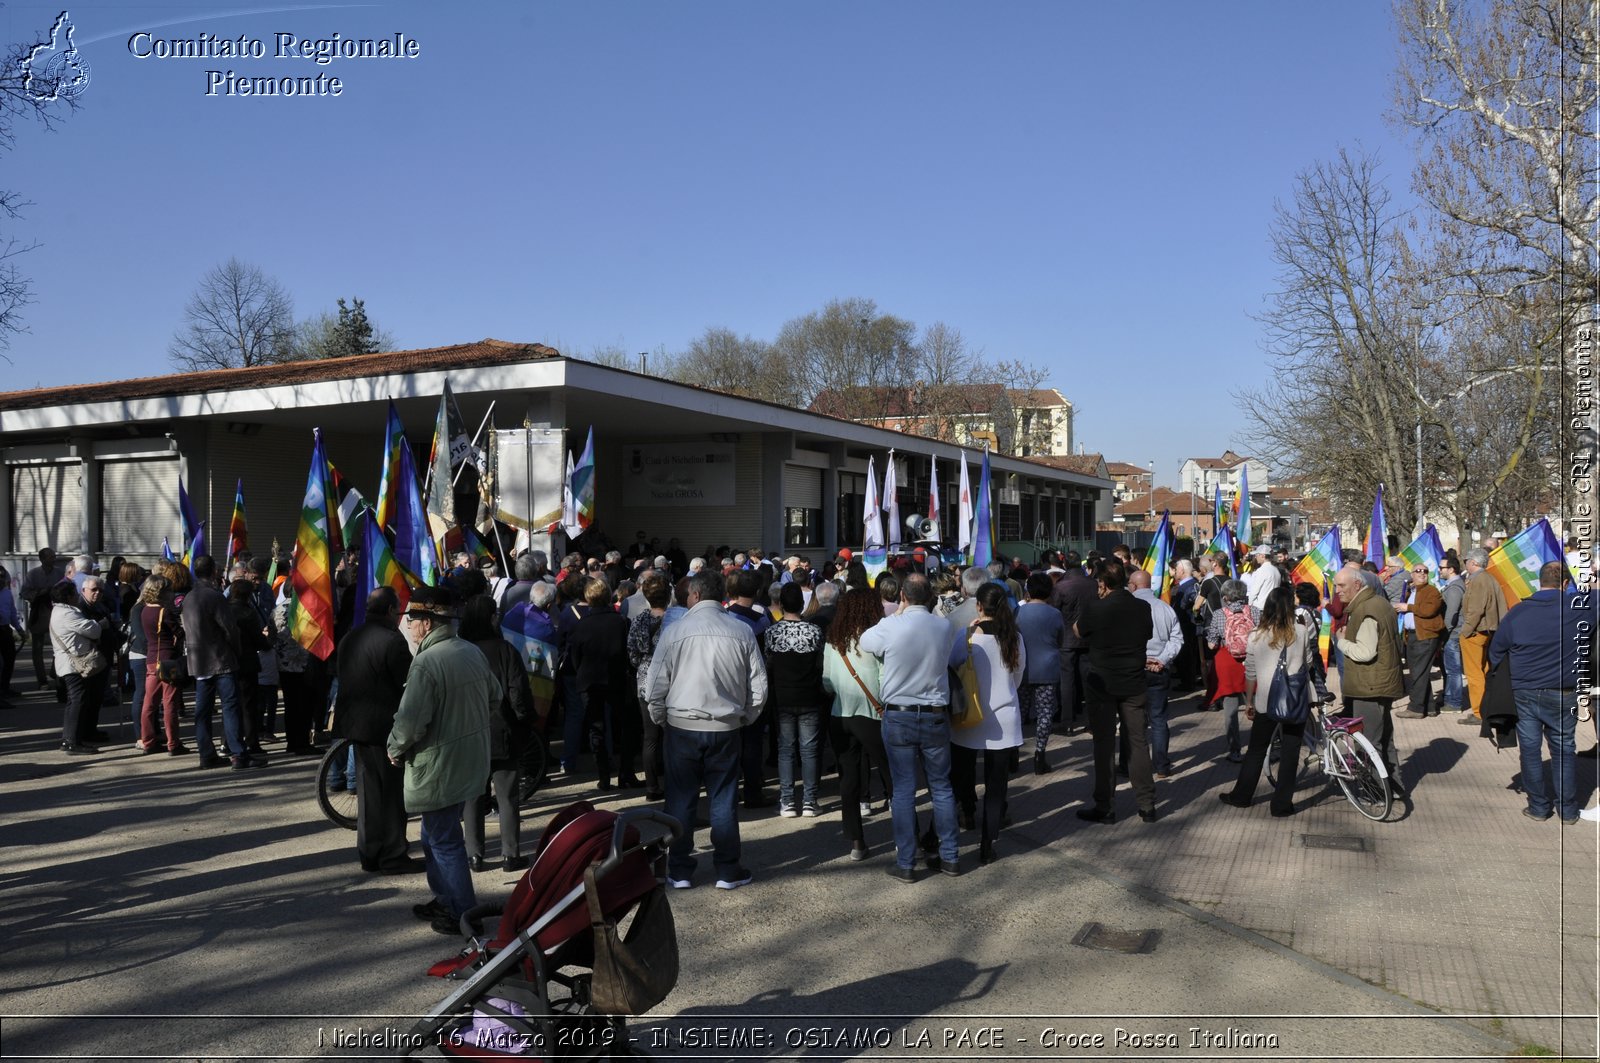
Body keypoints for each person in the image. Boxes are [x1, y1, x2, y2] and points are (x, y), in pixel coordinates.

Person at [645, 569, 767, 891]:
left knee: (681, 799)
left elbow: (654, 685)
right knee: (723, 800)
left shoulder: (675, 631)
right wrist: (744, 718)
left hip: (682, 726)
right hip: (725, 727)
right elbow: (759, 687)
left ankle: (681, 869)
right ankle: (727, 869)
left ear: (695, 595)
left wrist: (661, 717)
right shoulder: (741, 631)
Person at [388, 587, 499, 935]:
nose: (407, 625)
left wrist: (394, 747)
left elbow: (409, 722)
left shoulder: (427, 662)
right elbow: (494, 697)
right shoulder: (470, 651)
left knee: (444, 838)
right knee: (435, 832)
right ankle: (446, 899)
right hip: (468, 760)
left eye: (411, 619)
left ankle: (463, 912)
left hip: (439, 764)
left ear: (425, 623)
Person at [859, 572, 964, 881]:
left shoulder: (891, 625)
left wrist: (898, 614)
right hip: (933, 712)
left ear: (902, 596)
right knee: (941, 787)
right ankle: (951, 856)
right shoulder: (943, 626)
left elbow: (866, 641)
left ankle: (906, 862)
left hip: (899, 714)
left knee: (904, 790)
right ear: (930, 596)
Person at [1488, 561, 1588, 824]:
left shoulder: (1517, 613)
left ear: (1538, 582)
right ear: (1566, 584)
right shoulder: (1578, 608)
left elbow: (1496, 652)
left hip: (1524, 690)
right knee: (1564, 749)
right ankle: (1567, 810)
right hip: (1563, 690)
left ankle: (1538, 807)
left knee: (1530, 749)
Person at [335, 587, 419, 874]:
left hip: (357, 726)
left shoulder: (351, 636)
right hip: (384, 727)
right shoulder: (391, 640)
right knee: (391, 794)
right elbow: (408, 684)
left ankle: (369, 851)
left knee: (369, 793)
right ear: (391, 611)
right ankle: (393, 853)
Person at [1218, 586, 1315, 816]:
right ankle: (1281, 805)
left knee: (1256, 750)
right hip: (1294, 699)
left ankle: (1242, 796)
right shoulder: (1300, 632)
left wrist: (1249, 701)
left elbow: (1250, 673)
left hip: (1265, 700)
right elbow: (1308, 663)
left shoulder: (1256, 635)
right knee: (1291, 752)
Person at [1074, 558, 1157, 823]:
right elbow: (1146, 634)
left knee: (1104, 744)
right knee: (1137, 742)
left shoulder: (1096, 608)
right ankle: (1147, 804)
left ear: (1102, 584)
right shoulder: (1142, 608)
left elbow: (1078, 631)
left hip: (1103, 683)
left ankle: (1105, 806)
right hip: (1133, 682)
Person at [949, 583, 1025, 866]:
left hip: (969, 715)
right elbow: (1018, 678)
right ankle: (987, 843)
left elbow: (953, 668)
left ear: (978, 606)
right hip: (1003, 717)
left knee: (961, 776)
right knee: (996, 785)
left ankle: (966, 813)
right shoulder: (1014, 637)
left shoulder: (967, 636)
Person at [459, 595, 534, 872]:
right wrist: (525, 722)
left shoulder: (460, 650)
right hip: (502, 731)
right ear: (491, 618)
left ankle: (474, 854)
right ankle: (509, 854)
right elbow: (519, 695)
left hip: (468, 732)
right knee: (507, 796)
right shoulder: (505, 650)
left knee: (473, 796)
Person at [821, 587, 891, 862]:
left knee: (848, 781)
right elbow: (885, 678)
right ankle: (906, 837)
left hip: (841, 715)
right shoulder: (874, 639)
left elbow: (826, 682)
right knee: (890, 774)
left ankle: (857, 842)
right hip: (872, 714)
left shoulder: (833, 639)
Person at [1331, 566, 1405, 791]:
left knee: (1369, 741)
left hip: (1369, 686)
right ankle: (1394, 786)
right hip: (1379, 683)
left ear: (1357, 585)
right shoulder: (1377, 603)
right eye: (1335, 586)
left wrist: (1341, 641)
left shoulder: (1367, 609)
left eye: (1341, 586)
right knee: (1384, 738)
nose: (1337, 591)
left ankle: (1377, 790)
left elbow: (1365, 652)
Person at [567, 577, 638, 791]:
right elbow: (630, 653)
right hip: (617, 679)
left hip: (590, 681)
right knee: (626, 727)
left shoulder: (581, 625)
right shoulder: (621, 622)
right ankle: (626, 773)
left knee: (596, 729)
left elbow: (575, 657)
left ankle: (604, 775)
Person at [764, 582, 827, 817]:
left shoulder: (772, 632)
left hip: (782, 697)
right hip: (809, 696)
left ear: (780, 604)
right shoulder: (814, 632)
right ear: (802, 604)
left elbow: (767, 664)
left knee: (785, 749)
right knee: (809, 750)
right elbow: (821, 664)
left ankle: (787, 801)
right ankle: (810, 801)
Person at [1129, 568, 1184, 780]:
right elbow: (1177, 639)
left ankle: (1135, 765)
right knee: (1159, 719)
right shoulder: (1165, 608)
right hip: (1157, 669)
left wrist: (1153, 660)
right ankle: (1161, 765)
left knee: (1134, 720)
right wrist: (1162, 659)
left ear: (1133, 586)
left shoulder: (1127, 609)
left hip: (1136, 670)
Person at [47, 580, 109, 754]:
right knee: (77, 701)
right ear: (68, 596)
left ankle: (72, 738)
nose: (77, 596)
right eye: (74, 593)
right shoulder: (67, 614)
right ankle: (72, 741)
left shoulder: (62, 611)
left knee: (76, 700)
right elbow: (92, 630)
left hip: (71, 663)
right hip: (73, 664)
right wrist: (100, 625)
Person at [1014, 573, 1063, 774]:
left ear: (1028, 590)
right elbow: (1061, 639)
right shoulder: (1054, 614)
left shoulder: (1017, 612)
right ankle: (1040, 753)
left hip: (1022, 669)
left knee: (1019, 711)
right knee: (1045, 712)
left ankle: (1013, 754)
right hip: (1047, 668)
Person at [1206, 579, 1258, 762]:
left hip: (1227, 663)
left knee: (1230, 709)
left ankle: (1235, 751)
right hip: (1251, 662)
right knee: (1258, 706)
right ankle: (1260, 748)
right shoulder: (1254, 611)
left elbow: (1212, 644)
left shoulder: (1220, 614)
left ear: (1225, 597)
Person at [136, 575, 187, 755]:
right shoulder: (164, 611)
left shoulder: (143, 610)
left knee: (149, 703)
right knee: (170, 702)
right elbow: (178, 633)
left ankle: (148, 741)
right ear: (161, 592)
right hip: (168, 660)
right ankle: (173, 743)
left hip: (151, 659)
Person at [1458, 547, 1507, 725]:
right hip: (1487, 631)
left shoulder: (1479, 580)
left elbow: (1476, 610)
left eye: (1466, 561)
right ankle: (1485, 708)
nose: (1465, 564)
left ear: (1474, 562)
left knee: (1474, 674)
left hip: (1476, 631)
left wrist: (1465, 631)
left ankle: (1479, 712)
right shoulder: (1488, 578)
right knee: (1483, 671)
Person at [1049, 551, 1096, 731]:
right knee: (1087, 680)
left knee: (1066, 681)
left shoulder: (1061, 586)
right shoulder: (1092, 584)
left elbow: (1054, 611)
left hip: (1067, 639)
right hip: (1087, 637)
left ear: (1066, 565)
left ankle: (1067, 722)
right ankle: (1091, 722)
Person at [1395, 562, 1446, 719]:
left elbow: (1429, 610)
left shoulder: (1431, 591)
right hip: (1413, 636)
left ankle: (1416, 708)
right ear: (1412, 575)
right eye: (1418, 571)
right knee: (1420, 672)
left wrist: (1408, 607)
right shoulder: (1412, 591)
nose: (1422, 573)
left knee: (1418, 672)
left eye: (1425, 571)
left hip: (1425, 636)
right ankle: (1429, 706)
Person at [21, 548, 65, 690]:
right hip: (38, 612)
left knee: (59, 645)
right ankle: (42, 680)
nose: (53, 559)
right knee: (37, 649)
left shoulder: (59, 572)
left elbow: (65, 589)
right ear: (42, 559)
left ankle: (55, 672)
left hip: (55, 611)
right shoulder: (33, 574)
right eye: (50, 557)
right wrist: (40, 592)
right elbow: (25, 593)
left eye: (54, 556)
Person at [1437, 556, 1467, 715]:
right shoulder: (1451, 585)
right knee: (1450, 669)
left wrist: (1444, 632)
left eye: (1441, 567)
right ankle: (1449, 698)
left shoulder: (1455, 588)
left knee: (1453, 670)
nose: (1439, 570)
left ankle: (1454, 703)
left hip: (1453, 634)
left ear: (1451, 569)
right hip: (1452, 633)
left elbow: (1452, 613)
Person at [0, 565, 22, 702]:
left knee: (9, 659)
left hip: (5, 629)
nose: (1, 579)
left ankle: (5, 687)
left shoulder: (7, 593)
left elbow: (13, 612)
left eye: (2, 576)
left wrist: (19, 629)